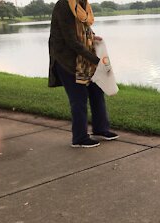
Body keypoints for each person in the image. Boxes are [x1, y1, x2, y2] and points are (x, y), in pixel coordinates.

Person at [48, 0, 118, 148]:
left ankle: (100, 129)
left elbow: (84, 28)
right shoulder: (64, 5)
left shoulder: (83, 5)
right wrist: (96, 60)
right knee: (78, 98)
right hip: (66, 60)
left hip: (84, 59)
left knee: (96, 92)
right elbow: (71, 40)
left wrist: (92, 37)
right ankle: (79, 138)